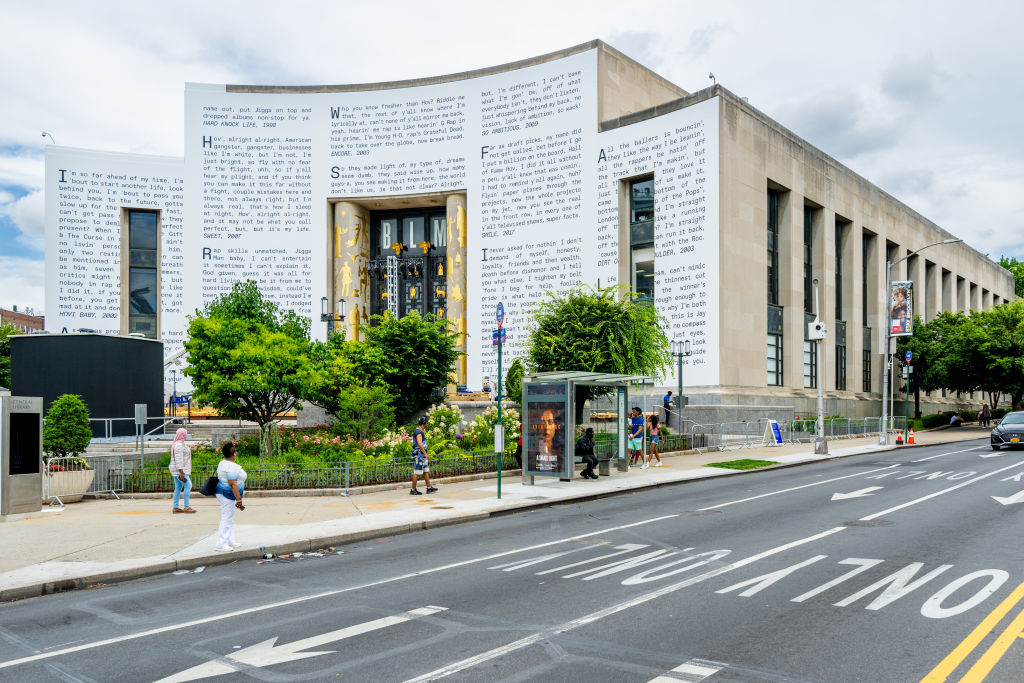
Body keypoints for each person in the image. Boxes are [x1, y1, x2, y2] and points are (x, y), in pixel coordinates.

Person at [214, 441, 247, 552]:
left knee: (229, 518)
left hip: (223, 493)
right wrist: (239, 499)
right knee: (226, 518)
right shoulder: (231, 466)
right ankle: (221, 544)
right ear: (234, 454)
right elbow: (233, 484)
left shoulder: (222, 463)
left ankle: (230, 540)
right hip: (227, 494)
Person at [169, 427, 195, 514]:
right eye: (185, 434)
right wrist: (181, 473)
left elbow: (183, 455)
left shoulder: (179, 443)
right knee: (188, 486)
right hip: (180, 471)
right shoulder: (179, 445)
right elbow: (179, 459)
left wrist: (190, 448)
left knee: (178, 488)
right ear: (182, 435)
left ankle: (175, 507)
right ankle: (186, 507)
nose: (186, 435)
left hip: (177, 470)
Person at [410, 416, 437, 495]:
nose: (427, 424)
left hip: (422, 455)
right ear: (423, 424)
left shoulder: (420, 431)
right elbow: (419, 444)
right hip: (419, 455)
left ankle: (429, 488)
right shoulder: (418, 432)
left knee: (425, 471)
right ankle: (413, 490)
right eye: (427, 423)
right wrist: (426, 454)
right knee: (417, 472)